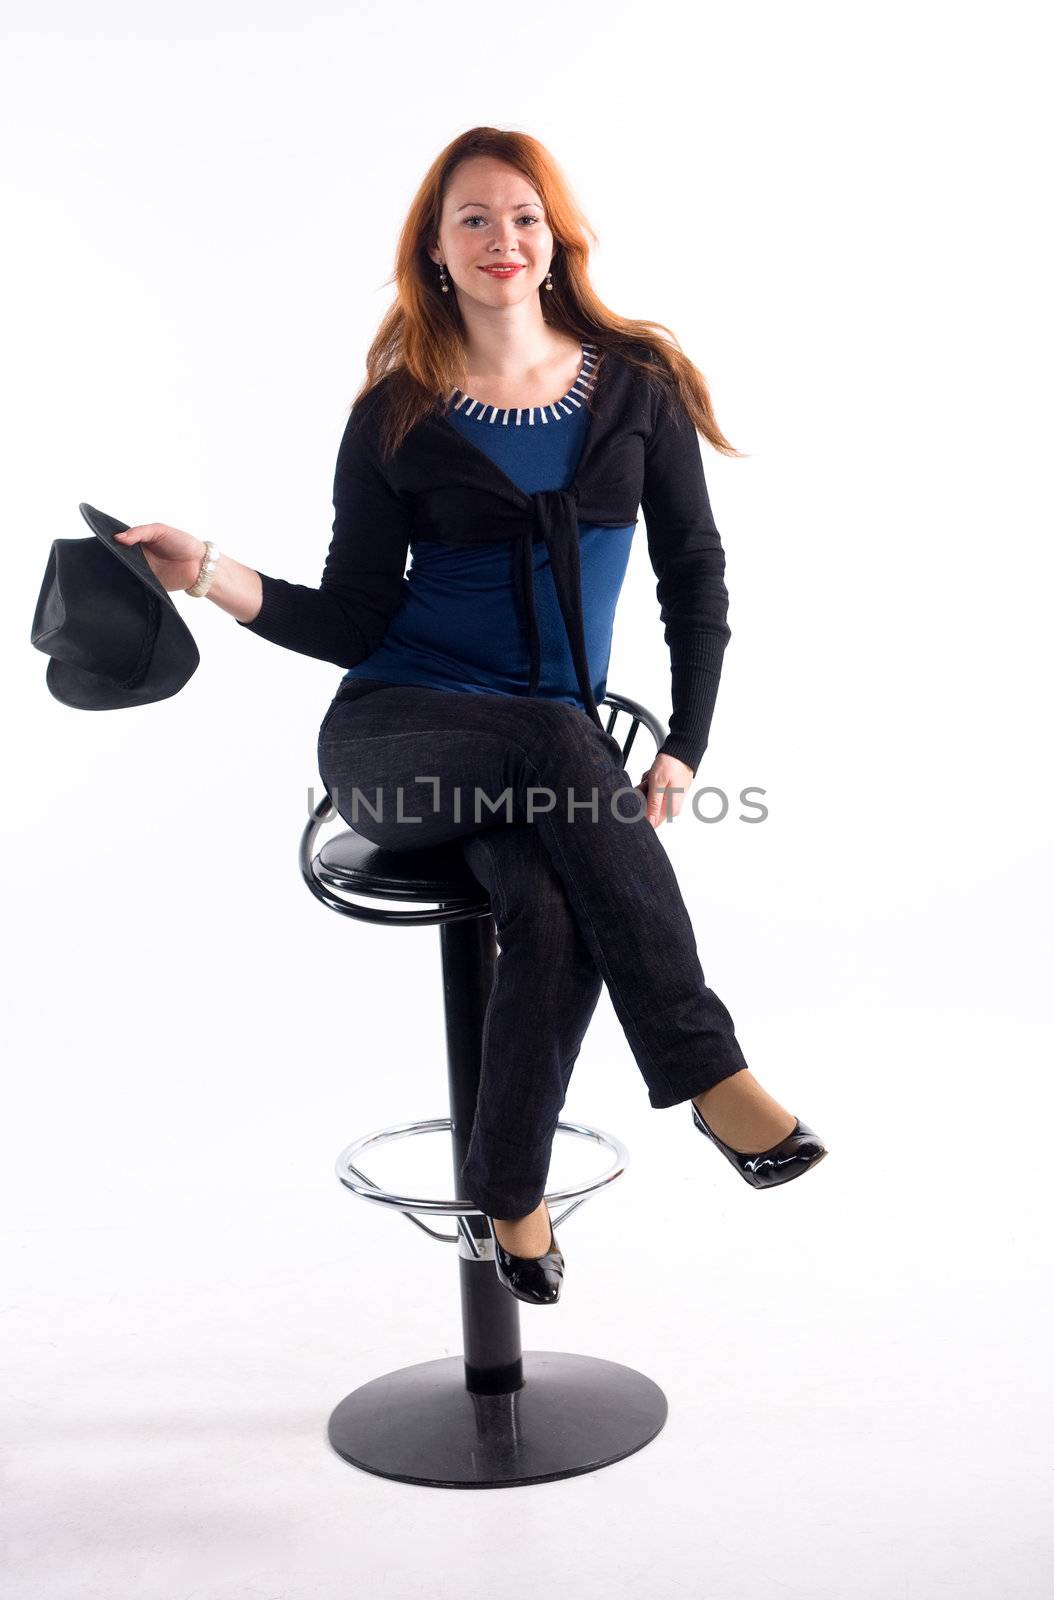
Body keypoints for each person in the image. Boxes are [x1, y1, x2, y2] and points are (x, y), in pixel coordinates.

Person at [114, 127, 827, 1307]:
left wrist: (687, 741)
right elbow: (350, 618)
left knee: (549, 901)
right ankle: (711, 1077)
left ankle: (509, 1201)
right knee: (561, 737)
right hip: (398, 739)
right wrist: (207, 571)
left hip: (545, 753)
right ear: (434, 253)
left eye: (523, 217)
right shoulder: (396, 415)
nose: (503, 239)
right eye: (473, 220)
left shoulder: (633, 390)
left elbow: (692, 578)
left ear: (556, 241)